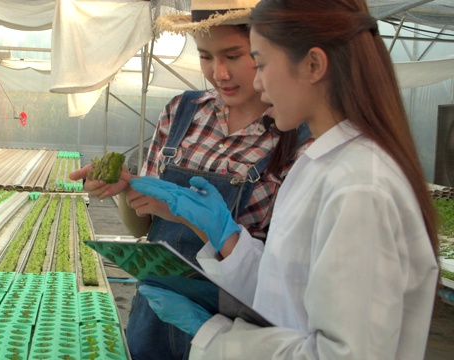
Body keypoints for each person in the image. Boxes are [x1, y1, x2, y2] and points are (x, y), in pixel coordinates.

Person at [129, 0, 441, 359]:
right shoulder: (320, 165)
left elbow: (344, 354)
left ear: (313, 65)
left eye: (258, 62)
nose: (257, 84)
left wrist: (213, 336)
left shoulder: (360, 187)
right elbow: (284, 295)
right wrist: (225, 236)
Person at [69, 1, 311, 358]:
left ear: (267, 49)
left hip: (236, 331)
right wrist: (126, 189)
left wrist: (193, 218)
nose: (219, 73)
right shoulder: (182, 112)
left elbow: (284, 278)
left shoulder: (297, 137)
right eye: (206, 57)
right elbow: (142, 227)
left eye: (233, 55)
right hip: (156, 312)